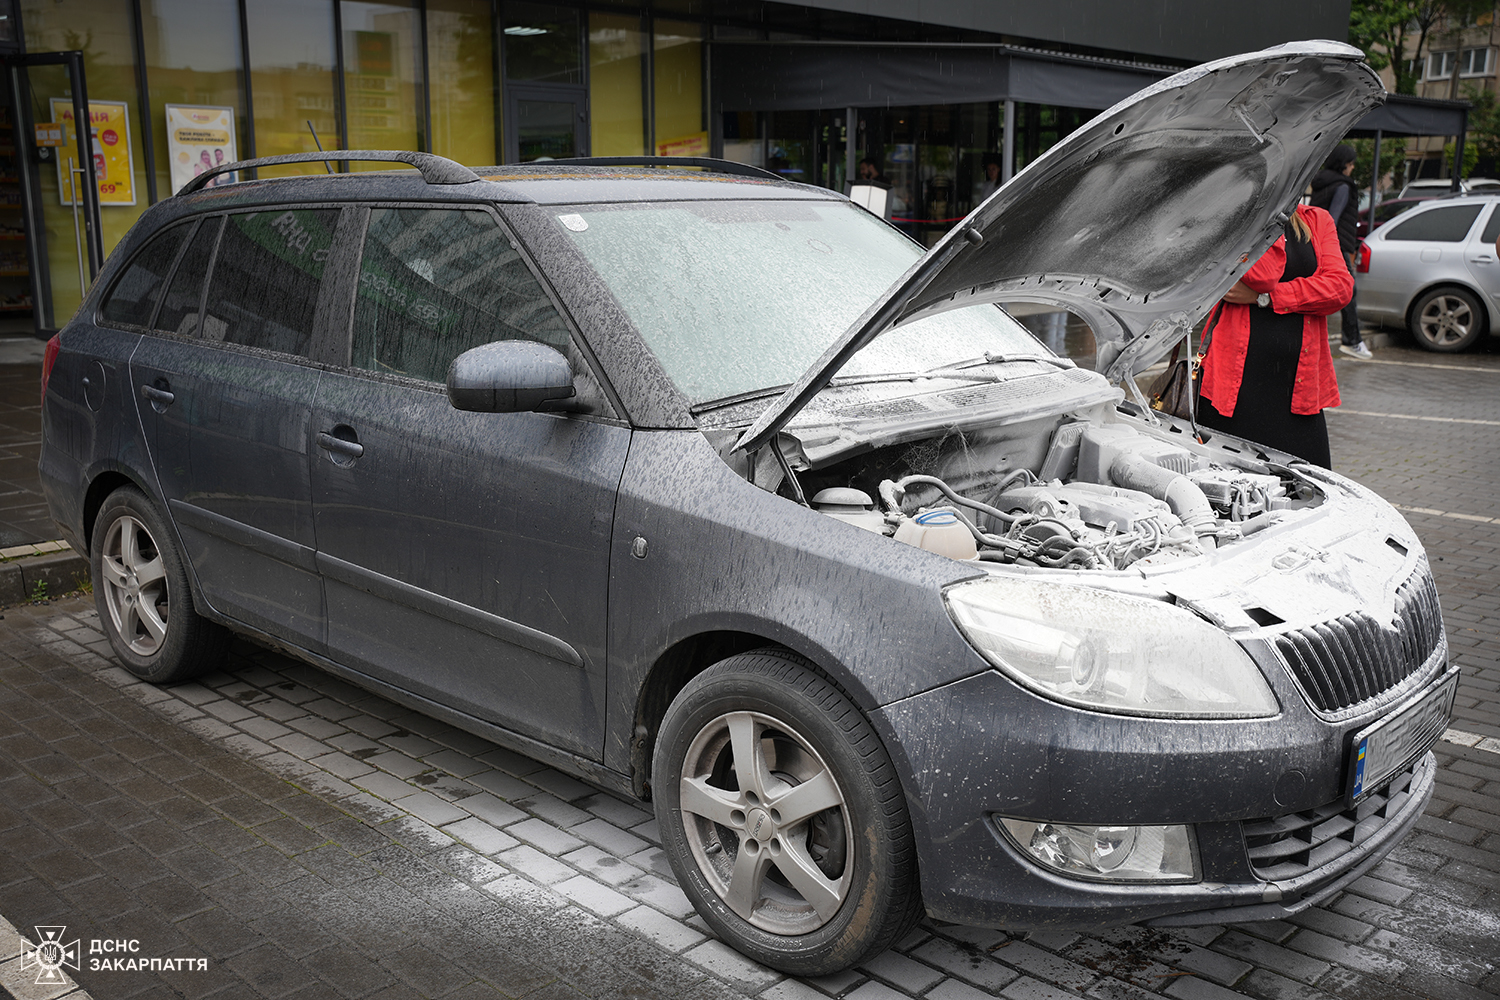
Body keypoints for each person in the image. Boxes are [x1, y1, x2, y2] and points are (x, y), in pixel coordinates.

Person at [1196, 202, 1351, 468]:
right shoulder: (1239, 217)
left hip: (1297, 389)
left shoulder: (1316, 220)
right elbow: (1262, 276)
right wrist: (1267, 214)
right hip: (1236, 387)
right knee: (1231, 491)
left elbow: (1340, 288)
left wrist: (1264, 299)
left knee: (1308, 488)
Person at [1308, 144, 1371, 359]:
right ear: (1345, 165)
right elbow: (1332, 219)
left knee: (1316, 289)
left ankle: (1312, 340)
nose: (1352, 168)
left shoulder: (1321, 182)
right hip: (1336, 245)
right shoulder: (1344, 186)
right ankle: (1352, 341)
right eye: (1352, 164)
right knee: (1347, 291)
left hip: (1313, 241)